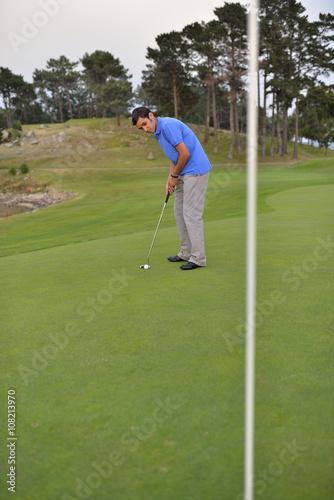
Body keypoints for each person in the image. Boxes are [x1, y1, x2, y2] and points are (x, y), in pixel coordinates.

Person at [132, 107, 212, 270]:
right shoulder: (157, 132)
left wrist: (175, 176)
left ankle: (198, 258)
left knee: (191, 214)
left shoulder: (167, 126)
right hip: (182, 171)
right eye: (142, 128)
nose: (145, 129)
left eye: (145, 124)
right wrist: (170, 178)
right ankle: (186, 251)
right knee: (178, 212)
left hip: (195, 170)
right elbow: (174, 156)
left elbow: (184, 154)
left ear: (151, 116)